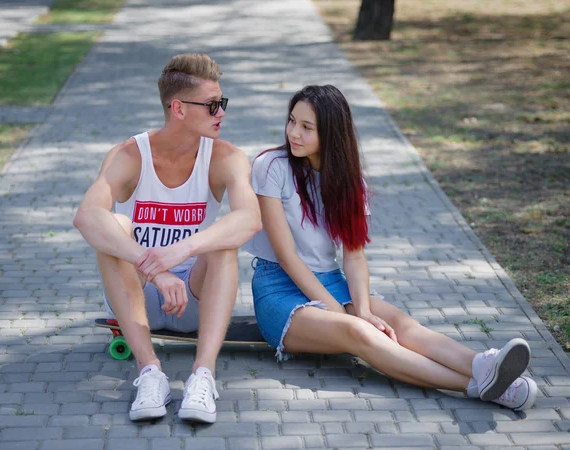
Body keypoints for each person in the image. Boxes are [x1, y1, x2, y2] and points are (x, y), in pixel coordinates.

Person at [245, 84, 537, 411]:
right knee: (362, 335)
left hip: (330, 280)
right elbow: (287, 256)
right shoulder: (271, 166)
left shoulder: (350, 181)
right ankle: (483, 387)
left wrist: (364, 310)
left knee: (400, 324)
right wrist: (347, 316)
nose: (293, 133)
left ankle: (482, 364)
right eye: (292, 121)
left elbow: (354, 257)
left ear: (331, 134)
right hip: (279, 288)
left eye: (306, 127)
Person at [73, 53, 261, 423]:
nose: (221, 112)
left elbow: (249, 219)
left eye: (221, 103)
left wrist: (183, 249)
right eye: (211, 105)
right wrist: (154, 266)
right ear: (178, 108)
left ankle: (202, 376)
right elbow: (86, 217)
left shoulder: (226, 157)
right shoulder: (130, 154)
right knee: (115, 227)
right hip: (136, 295)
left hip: (194, 298)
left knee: (222, 241)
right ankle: (150, 373)